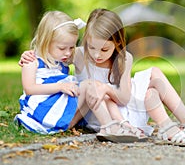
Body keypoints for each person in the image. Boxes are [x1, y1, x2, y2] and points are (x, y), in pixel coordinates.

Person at [20, 8, 185, 145]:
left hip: (124, 105)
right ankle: (169, 130)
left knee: (154, 78)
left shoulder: (125, 59)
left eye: (104, 49)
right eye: (91, 47)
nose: (97, 55)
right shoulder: (79, 54)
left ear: (117, 44)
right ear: (86, 42)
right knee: (145, 90)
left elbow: (124, 98)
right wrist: (28, 55)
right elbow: (52, 51)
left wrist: (108, 88)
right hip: (101, 111)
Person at [16, 11, 143, 142]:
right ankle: (108, 127)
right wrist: (60, 86)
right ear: (45, 41)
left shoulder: (60, 59)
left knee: (97, 89)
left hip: (65, 119)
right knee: (90, 84)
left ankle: (120, 124)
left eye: (72, 47)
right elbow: (30, 89)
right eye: (62, 48)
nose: (68, 53)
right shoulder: (32, 61)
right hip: (45, 115)